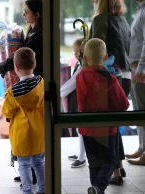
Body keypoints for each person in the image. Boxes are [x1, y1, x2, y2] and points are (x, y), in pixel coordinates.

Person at [76, 39, 129, 194]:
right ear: (105, 57)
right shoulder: (110, 79)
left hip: (87, 129)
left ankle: (96, 189)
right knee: (110, 161)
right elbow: (123, 104)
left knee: (94, 164)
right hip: (106, 129)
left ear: (84, 58)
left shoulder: (80, 77)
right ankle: (99, 188)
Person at [90, 0, 131, 185]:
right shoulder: (123, 21)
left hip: (108, 78)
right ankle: (118, 167)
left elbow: (95, 52)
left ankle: (114, 171)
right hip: (126, 77)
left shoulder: (100, 20)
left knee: (109, 126)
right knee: (115, 124)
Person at [2, 47, 45, 194]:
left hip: (22, 135)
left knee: (24, 165)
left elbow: (7, 111)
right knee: (39, 163)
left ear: (16, 67)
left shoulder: (13, 92)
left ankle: (27, 191)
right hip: (39, 132)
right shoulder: (41, 83)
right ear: (34, 65)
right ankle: (42, 189)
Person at [0, 0, 43, 78]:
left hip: (34, 79)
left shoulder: (36, 37)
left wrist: (4, 66)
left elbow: (22, 56)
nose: (23, 14)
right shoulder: (32, 33)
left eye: (26, 12)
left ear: (37, 15)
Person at [61, 38, 86, 168]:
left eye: (77, 51)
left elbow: (73, 83)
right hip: (77, 98)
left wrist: (59, 93)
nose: (75, 54)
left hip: (80, 99)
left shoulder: (82, 66)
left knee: (81, 128)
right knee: (79, 127)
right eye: (74, 51)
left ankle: (82, 157)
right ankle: (80, 154)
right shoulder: (79, 64)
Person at [125, 0, 145, 166]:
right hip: (135, 66)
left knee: (142, 110)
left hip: (140, 69)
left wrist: (141, 69)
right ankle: (142, 147)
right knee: (139, 109)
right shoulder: (141, 10)